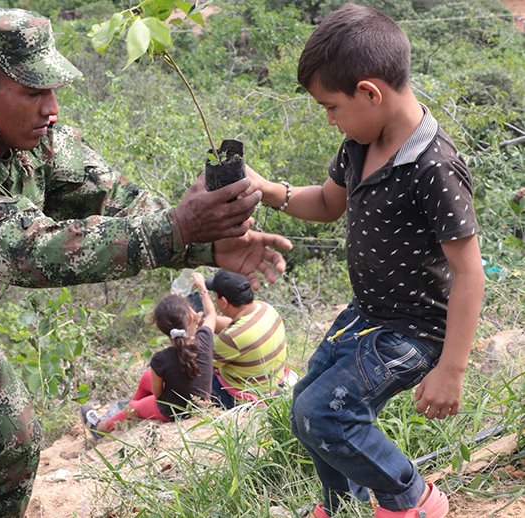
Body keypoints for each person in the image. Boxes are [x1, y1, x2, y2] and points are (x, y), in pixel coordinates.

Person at [0, 5, 293, 517]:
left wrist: (205, 242)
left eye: (53, 90)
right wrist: (177, 229)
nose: (52, 108)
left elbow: (115, 199)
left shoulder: (35, 142)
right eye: (33, 92)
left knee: (13, 440)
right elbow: (27, 249)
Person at [246, 4, 485, 517]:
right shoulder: (360, 143)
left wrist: (452, 369)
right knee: (308, 402)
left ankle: (413, 499)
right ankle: (343, 506)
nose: (330, 119)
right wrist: (269, 191)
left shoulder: (434, 166)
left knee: (324, 415)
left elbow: (469, 271)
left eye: (331, 106)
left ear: (370, 92)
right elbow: (330, 204)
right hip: (367, 314)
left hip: (415, 331)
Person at [82, 272, 216, 438]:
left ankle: (100, 429)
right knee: (146, 378)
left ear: (161, 328)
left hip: (176, 411)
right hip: (200, 404)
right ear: (191, 317)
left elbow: (158, 395)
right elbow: (211, 314)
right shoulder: (205, 339)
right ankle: (126, 413)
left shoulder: (161, 359)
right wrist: (202, 287)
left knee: (136, 407)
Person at [205, 269, 287, 409]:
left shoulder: (230, 338)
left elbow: (203, 364)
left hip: (245, 399)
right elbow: (236, 328)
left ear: (223, 301)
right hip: (275, 386)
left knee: (196, 373)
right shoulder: (266, 308)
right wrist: (203, 321)